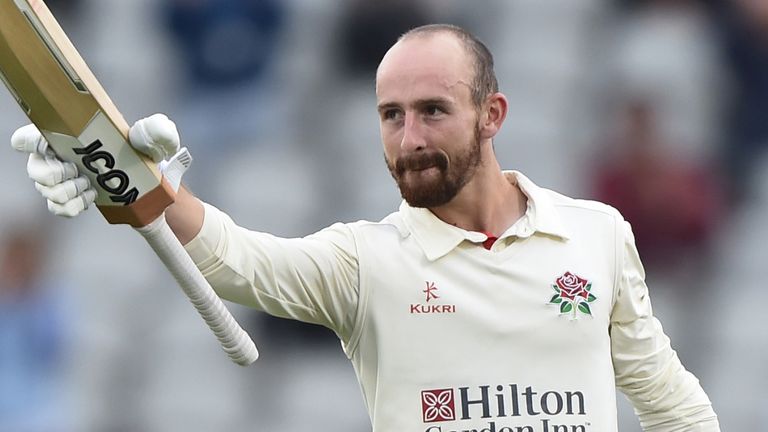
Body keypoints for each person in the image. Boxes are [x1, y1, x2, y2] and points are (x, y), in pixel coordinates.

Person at [11, 24, 719, 432]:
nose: (408, 137)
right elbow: (236, 260)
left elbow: (668, 400)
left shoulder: (595, 234)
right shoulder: (365, 261)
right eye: (391, 115)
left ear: (492, 115)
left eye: (433, 110)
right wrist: (129, 178)